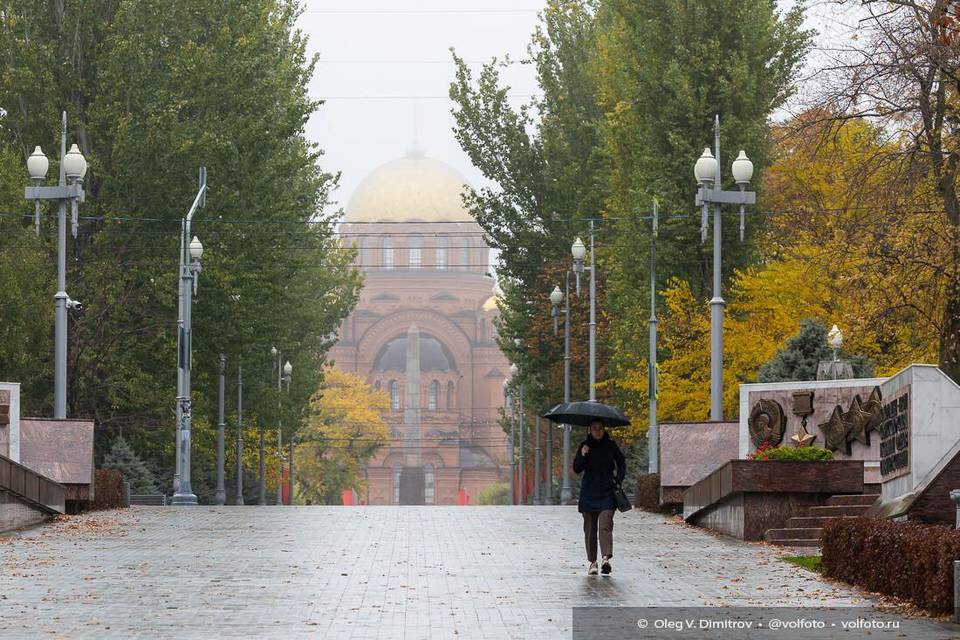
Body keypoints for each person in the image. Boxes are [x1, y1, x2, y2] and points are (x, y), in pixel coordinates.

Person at [573, 419, 626, 575]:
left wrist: (618, 480)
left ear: (604, 430)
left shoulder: (611, 445)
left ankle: (605, 559)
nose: (598, 431)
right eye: (595, 428)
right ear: (590, 429)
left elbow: (621, 463)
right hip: (589, 492)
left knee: (605, 524)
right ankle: (593, 563)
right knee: (590, 529)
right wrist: (582, 455)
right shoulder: (584, 446)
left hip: (607, 492)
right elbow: (576, 468)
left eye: (600, 428)